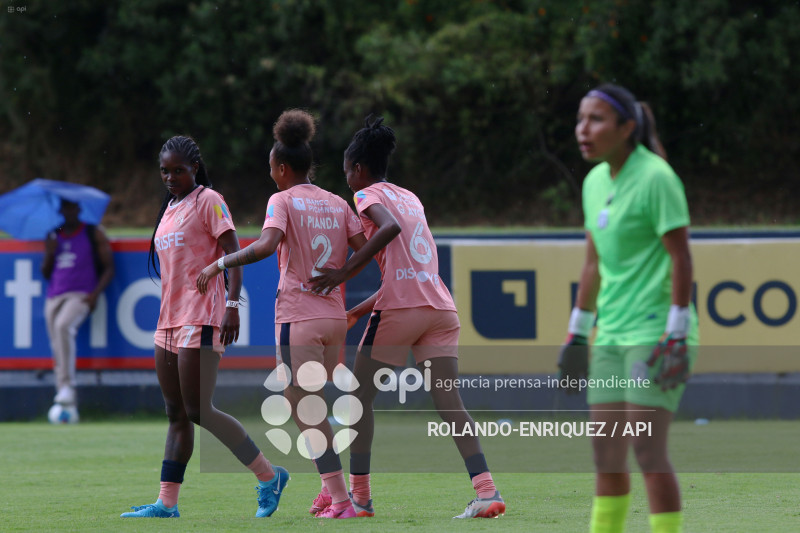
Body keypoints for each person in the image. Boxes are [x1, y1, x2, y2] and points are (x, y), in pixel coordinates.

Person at [308, 115, 506, 519]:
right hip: (439, 308)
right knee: (450, 402)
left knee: (358, 400)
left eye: (347, 172)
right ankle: (487, 491)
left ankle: (359, 499)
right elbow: (411, 271)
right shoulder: (411, 197)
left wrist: (344, 273)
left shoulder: (366, 197)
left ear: (358, 169)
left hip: (401, 311)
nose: (348, 180)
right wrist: (358, 311)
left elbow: (389, 229)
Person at [197, 110, 367, 519]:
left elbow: (267, 245)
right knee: (313, 406)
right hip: (332, 318)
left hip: (299, 315)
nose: (271, 174)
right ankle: (331, 491)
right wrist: (342, 275)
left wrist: (220, 264)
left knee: (304, 409)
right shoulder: (336, 202)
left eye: (272, 168)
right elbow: (366, 247)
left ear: (282, 167)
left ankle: (341, 499)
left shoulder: (282, 199)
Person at [121, 135, 288, 518]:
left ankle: (269, 476)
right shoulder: (169, 208)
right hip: (168, 321)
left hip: (203, 317)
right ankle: (166, 503)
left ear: (194, 168)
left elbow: (234, 254)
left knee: (199, 410)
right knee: (176, 413)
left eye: (178, 170)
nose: (170, 177)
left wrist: (232, 304)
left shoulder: (209, 201)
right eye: (165, 170)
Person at [558, 83, 699, 533]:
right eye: (581, 119)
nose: (583, 129)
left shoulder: (657, 177)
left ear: (626, 128)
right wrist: (577, 334)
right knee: (606, 454)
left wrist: (676, 332)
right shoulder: (595, 181)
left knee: (646, 450)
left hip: (655, 332)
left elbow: (681, 256)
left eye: (596, 119)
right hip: (611, 335)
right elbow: (593, 264)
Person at [42, 198, 115, 412]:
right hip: (54, 294)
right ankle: (66, 399)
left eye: (72, 207)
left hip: (81, 294)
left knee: (64, 327)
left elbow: (109, 268)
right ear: (61, 210)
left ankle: (67, 386)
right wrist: (50, 252)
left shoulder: (93, 232)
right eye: (65, 208)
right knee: (56, 341)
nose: (69, 211)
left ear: (79, 208)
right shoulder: (53, 235)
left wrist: (94, 295)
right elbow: (46, 272)